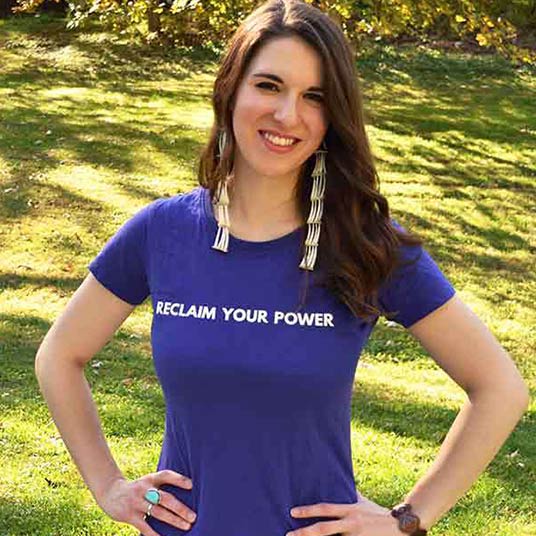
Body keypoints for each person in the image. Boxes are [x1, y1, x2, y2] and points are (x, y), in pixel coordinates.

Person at [34, 0, 530, 535]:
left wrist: (407, 520)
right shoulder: (163, 232)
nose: (288, 115)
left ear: (332, 117)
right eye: (269, 86)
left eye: (314, 97)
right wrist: (109, 486)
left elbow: (499, 388)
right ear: (231, 90)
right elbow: (60, 356)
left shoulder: (365, 243)